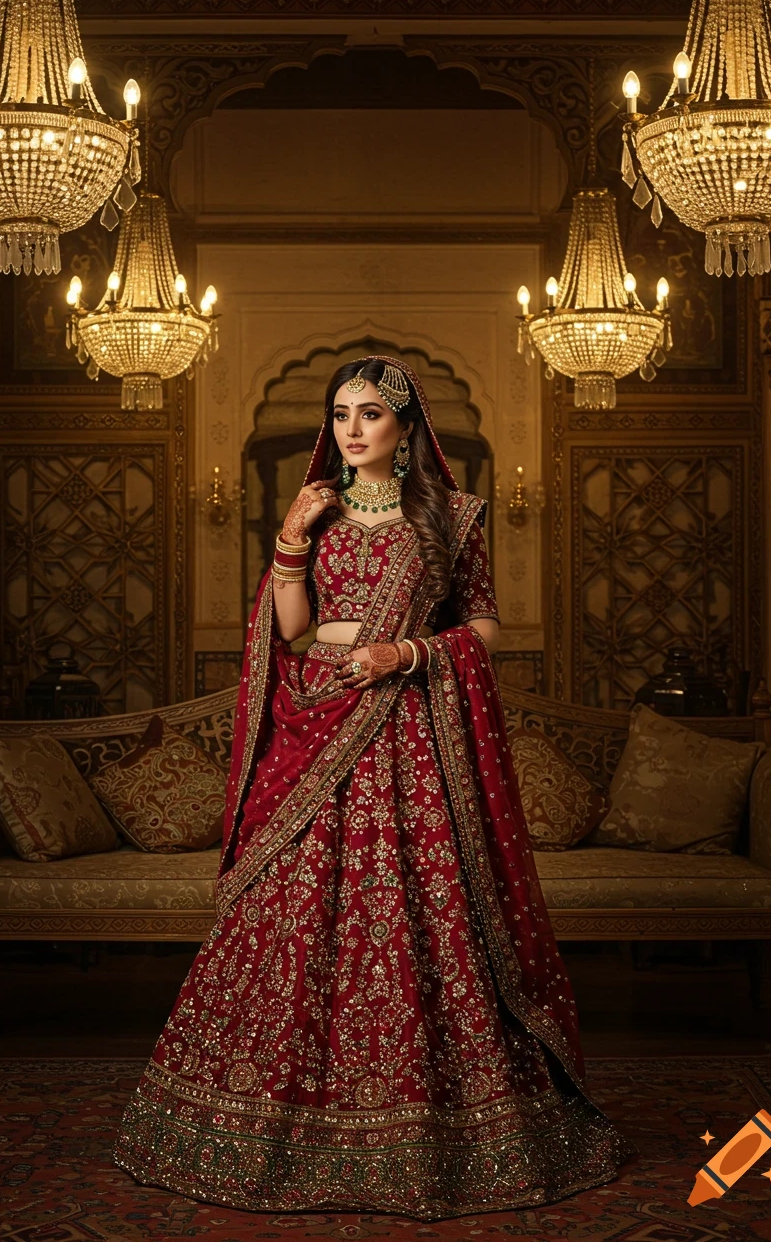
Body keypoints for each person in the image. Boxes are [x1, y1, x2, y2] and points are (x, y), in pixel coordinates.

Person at [114, 354, 634, 1219]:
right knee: (288, 914)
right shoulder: (314, 514)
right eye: (342, 414)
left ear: (405, 428)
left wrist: (409, 653)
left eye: (371, 415)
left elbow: (486, 628)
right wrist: (286, 540)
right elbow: (292, 630)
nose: (353, 430)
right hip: (317, 715)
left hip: (409, 728)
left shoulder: (452, 518)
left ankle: (443, 1126)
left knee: (421, 910)